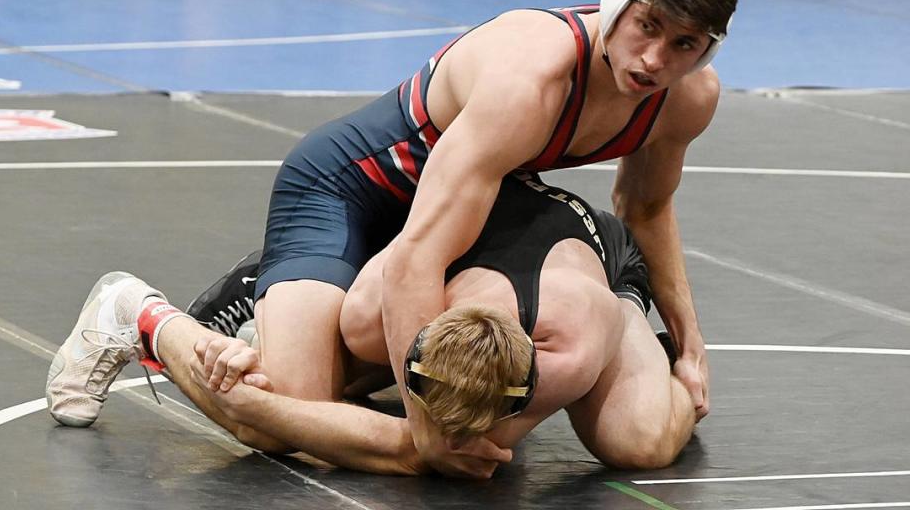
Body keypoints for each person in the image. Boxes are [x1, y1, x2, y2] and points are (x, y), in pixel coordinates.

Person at [208, 0, 737, 475]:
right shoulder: (532, 78)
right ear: (617, 1)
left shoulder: (686, 99)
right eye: (648, 26)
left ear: (706, 50)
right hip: (349, 190)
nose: (655, 60)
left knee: (367, 422)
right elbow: (415, 257)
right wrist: (426, 425)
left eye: (684, 44)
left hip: (463, 211)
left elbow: (647, 208)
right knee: (293, 421)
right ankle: (149, 319)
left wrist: (689, 343)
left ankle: (301, 317)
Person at [46, 172, 695, 478]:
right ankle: (137, 310)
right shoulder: (379, 306)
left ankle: (252, 355)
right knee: (290, 410)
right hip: (422, 232)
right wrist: (268, 386)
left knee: (639, 444)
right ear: (410, 346)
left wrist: (689, 362)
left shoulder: (574, 344)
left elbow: (451, 451)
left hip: (597, 255)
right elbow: (412, 441)